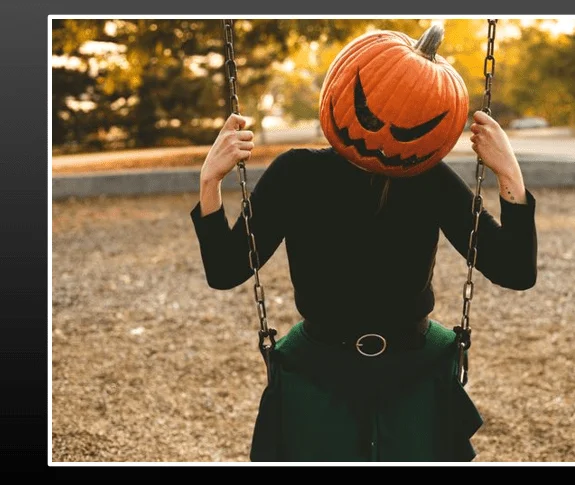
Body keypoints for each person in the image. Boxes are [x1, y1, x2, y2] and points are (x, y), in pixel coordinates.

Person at [190, 29, 537, 463]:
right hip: (318, 367)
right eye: (370, 110)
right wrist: (210, 180)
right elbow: (226, 271)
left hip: (413, 368)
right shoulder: (296, 175)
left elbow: (515, 271)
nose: (386, 124)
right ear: (340, 91)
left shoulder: (427, 179)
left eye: (409, 111)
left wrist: (509, 173)